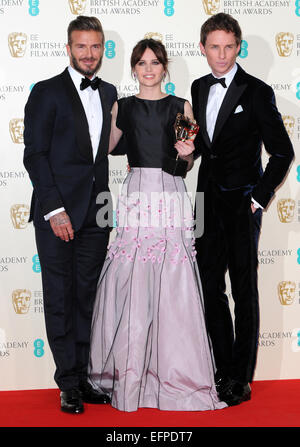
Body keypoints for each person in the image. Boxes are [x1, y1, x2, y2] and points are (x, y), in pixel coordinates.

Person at [88, 38, 227, 412]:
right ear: (133, 68)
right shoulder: (123, 106)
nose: (148, 69)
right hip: (135, 194)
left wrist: (187, 154)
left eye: (155, 62)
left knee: (172, 280)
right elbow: (107, 146)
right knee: (132, 276)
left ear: (164, 67)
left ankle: (174, 374)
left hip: (169, 193)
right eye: (142, 63)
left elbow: (183, 163)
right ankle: (129, 375)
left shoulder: (180, 106)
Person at [191, 13, 294, 406]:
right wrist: (183, 155)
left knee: (244, 292)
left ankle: (240, 377)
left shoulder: (257, 91)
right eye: (213, 47)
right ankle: (220, 368)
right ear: (203, 48)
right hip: (204, 203)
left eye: (228, 47)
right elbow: (204, 147)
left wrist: (257, 198)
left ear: (238, 47)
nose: (221, 55)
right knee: (211, 290)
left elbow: (283, 152)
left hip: (241, 205)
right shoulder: (198, 88)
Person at [23, 15, 117, 414]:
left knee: (88, 297)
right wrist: (54, 209)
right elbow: (35, 154)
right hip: (57, 212)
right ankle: (67, 383)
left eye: (95, 46)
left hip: (97, 211)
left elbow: (112, 146)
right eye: (82, 46)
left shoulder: (111, 91)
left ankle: (84, 377)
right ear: (68, 48)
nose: (89, 54)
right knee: (60, 297)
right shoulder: (47, 92)